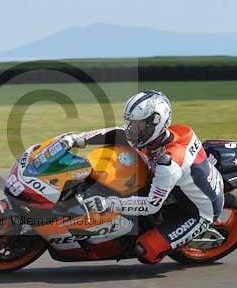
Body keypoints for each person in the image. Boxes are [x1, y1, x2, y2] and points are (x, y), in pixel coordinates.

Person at [59, 90, 224, 263]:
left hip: (196, 211)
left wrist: (109, 203)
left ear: (156, 123)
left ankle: (183, 236)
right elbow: (120, 133)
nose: (131, 129)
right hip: (175, 185)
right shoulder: (159, 137)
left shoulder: (169, 164)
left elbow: (152, 205)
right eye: (131, 123)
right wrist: (77, 139)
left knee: (146, 251)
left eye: (138, 125)